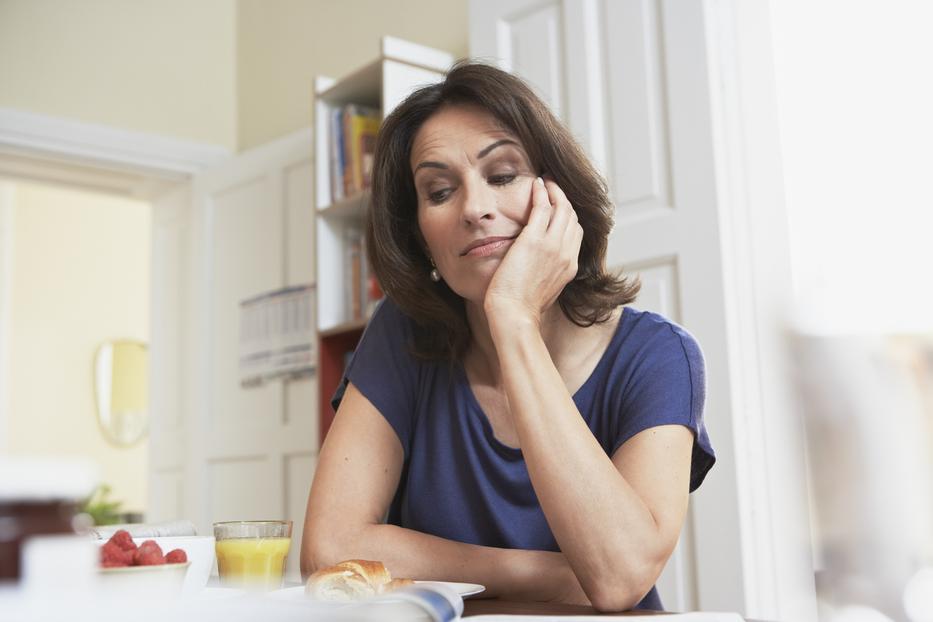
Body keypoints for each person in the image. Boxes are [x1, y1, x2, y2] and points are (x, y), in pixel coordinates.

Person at [301, 61, 715, 612]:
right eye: (440, 190)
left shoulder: (659, 355)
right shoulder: (401, 335)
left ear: (559, 197)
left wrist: (515, 317)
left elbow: (618, 577)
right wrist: (558, 574)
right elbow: (330, 549)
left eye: (502, 176)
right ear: (421, 236)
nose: (475, 208)